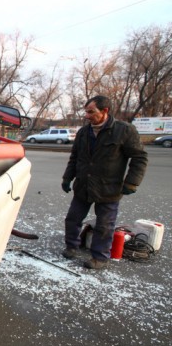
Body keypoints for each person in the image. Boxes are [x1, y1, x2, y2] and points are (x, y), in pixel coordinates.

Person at [61, 95, 148, 269]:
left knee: (105, 226)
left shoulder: (124, 130)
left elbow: (139, 157)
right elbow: (75, 157)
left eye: (91, 112)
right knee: (72, 219)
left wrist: (132, 182)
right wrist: (67, 177)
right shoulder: (83, 132)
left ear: (105, 111)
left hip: (108, 189)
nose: (87, 116)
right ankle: (72, 246)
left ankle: (99, 258)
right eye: (86, 112)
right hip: (83, 186)